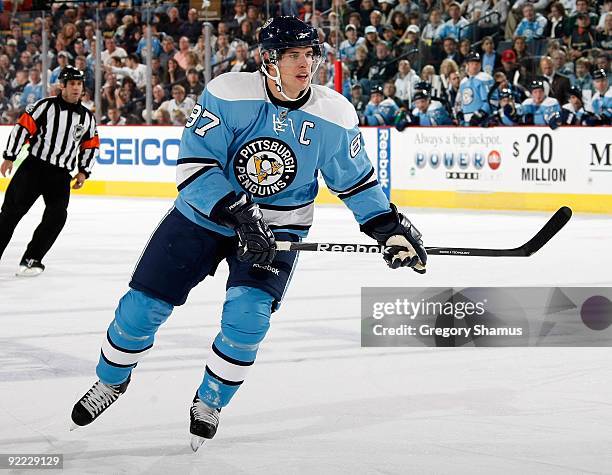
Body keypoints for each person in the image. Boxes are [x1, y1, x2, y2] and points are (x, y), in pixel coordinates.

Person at [69, 16, 427, 450]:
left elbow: (355, 182)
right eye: (293, 55)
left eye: (309, 55)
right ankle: (111, 381)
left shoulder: (334, 115)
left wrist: (387, 227)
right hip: (203, 218)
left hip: (278, 229)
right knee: (140, 309)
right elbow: (195, 165)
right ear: (268, 59)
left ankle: (210, 400)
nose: (303, 64)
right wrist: (239, 213)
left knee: (247, 320)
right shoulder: (228, 94)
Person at [0, 66, 98, 276]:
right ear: (61, 86)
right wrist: (10, 156)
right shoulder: (45, 107)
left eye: (79, 84)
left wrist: (83, 171)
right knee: (10, 215)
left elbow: (90, 146)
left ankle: (32, 259)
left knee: (57, 217)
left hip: (61, 175)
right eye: (71, 83)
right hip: (34, 168)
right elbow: (22, 128)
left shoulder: (87, 118)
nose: (76, 88)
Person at [456, 51, 494, 125]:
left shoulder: (485, 78)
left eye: (477, 64)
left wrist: (481, 113)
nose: (474, 66)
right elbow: (459, 102)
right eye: (472, 63)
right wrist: (459, 113)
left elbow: (491, 100)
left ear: (480, 65)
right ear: (467, 65)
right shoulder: (463, 82)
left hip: (482, 121)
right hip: (466, 121)